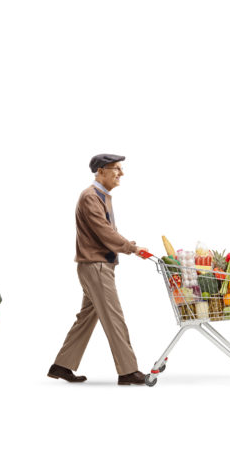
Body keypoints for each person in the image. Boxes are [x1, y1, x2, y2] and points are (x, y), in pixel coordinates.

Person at [48, 154, 148, 386]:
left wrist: (126, 246)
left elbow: (104, 232)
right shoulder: (90, 197)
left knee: (87, 317)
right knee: (113, 317)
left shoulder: (100, 196)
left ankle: (61, 366)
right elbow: (104, 232)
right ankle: (128, 371)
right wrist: (132, 248)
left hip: (97, 265)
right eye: (116, 169)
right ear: (101, 171)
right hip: (96, 267)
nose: (120, 174)